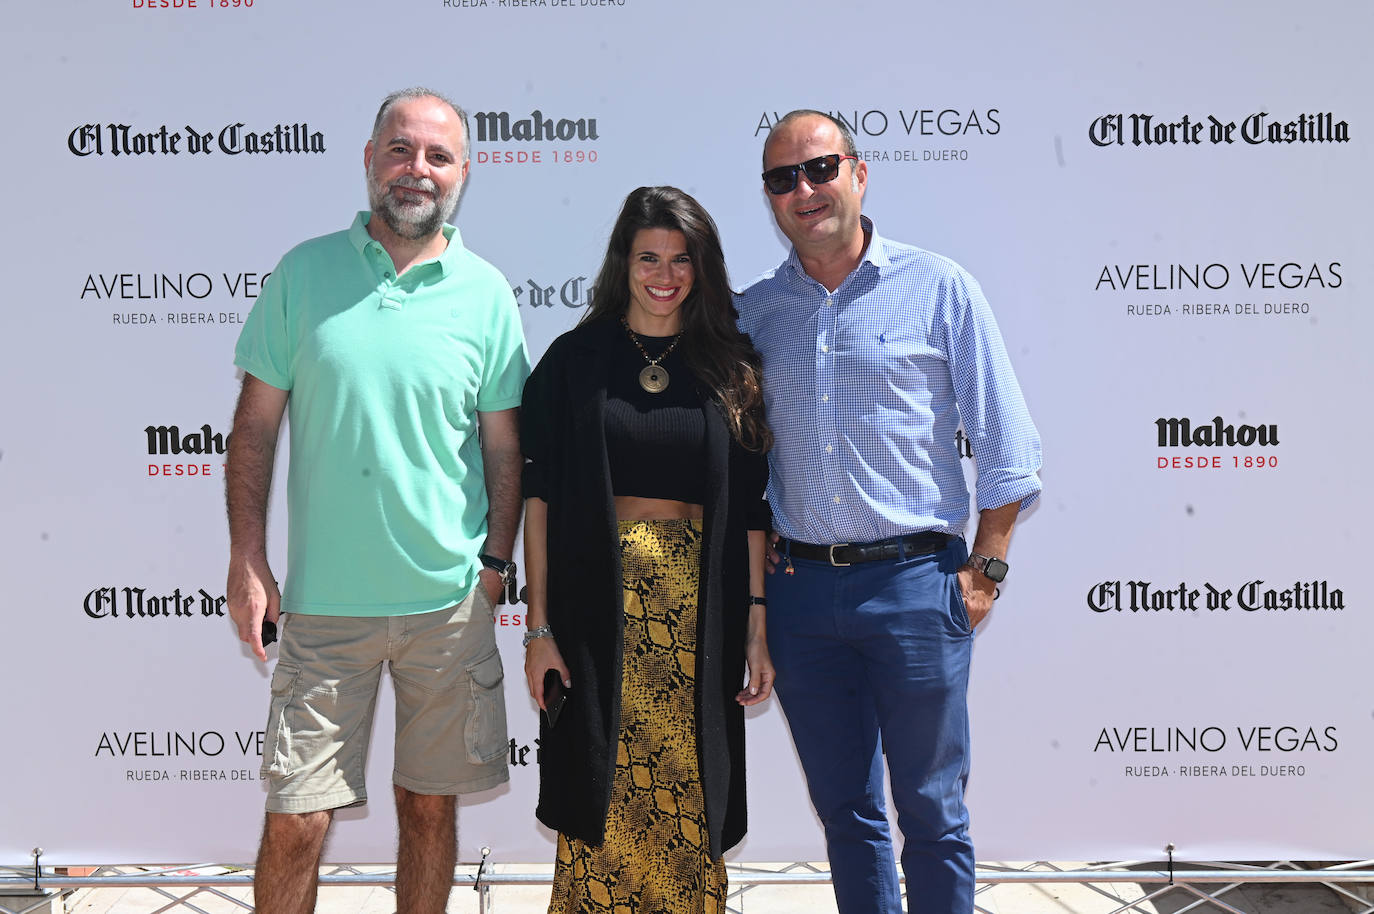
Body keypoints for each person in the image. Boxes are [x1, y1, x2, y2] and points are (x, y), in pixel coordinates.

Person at [224, 87, 530, 914]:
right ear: (369, 160)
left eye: (436, 156)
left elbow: (506, 447)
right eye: (400, 150)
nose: (416, 170)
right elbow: (254, 428)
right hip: (324, 611)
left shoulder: (487, 294)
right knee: (297, 820)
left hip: (448, 609)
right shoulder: (303, 273)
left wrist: (495, 567)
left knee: (428, 811)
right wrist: (247, 558)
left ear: (463, 172)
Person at [736, 110, 1042, 914]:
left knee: (933, 813)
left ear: (859, 173)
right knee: (848, 814)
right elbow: (736, 464)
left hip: (919, 586)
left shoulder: (940, 286)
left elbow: (1008, 446)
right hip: (802, 593)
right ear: (769, 199)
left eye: (819, 169)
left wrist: (988, 571)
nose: (804, 190)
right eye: (782, 178)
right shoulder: (752, 316)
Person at [520, 185, 774, 913]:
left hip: (701, 615)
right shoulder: (575, 361)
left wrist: (757, 623)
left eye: (681, 259)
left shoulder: (731, 365)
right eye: (648, 257)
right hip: (598, 608)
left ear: (702, 268)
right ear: (621, 263)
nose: (664, 275)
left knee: (689, 794)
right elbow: (538, 500)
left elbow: (753, 508)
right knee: (602, 792)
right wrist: (538, 629)